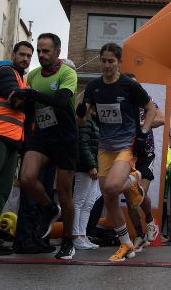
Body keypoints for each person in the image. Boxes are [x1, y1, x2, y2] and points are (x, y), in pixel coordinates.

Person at [76, 42, 155, 261]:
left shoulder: (129, 86)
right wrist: (81, 112)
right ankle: (126, 244)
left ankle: (134, 178)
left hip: (127, 144)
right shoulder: (94, 86)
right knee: (109, 197)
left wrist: (143, 133)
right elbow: (82, 122)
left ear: (120, 62)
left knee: (111, 187)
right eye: (103, 61)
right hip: (105, 147)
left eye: (111, 61)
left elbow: (150, 110)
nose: (106, 65)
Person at [15, 34, 79, 260]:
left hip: (65, 138)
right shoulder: (33, 75)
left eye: (45, 51)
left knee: (65, 195)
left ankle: (68, 241)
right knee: (27, 178)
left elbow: (61, 101)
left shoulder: (67, 73)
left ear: (57, 52)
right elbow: (31, 107)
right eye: (39, 51)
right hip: (42, 136)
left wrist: (31, 93)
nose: (41, 55)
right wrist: (20, 101)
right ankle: (50, 209)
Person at [0, 41, 33, 256]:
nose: (25, 59)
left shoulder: (21, 78)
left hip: (10, 141)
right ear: (13, 55)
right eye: (22, 54)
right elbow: (16, 99)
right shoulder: (5, 71)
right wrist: (31, 96)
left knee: (0, 191)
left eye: (28, 56)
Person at [122, 72, 165, 253]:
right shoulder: (119, 103)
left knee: (140, 192)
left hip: (146, 152)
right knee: (130, 197)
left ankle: (149, 220)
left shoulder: (146, 101)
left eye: (135, 85)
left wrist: (141, 124)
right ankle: (139, 235)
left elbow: (161, 119)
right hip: (125, 153)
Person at [72, 100, 100, 250]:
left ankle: (82, 236)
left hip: (92, 166)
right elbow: (83, 144)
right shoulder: (86, 121)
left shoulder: (93, 121)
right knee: (79, 201)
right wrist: (91, 166)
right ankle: (75, 236)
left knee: (88, 203)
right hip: (85, 167)